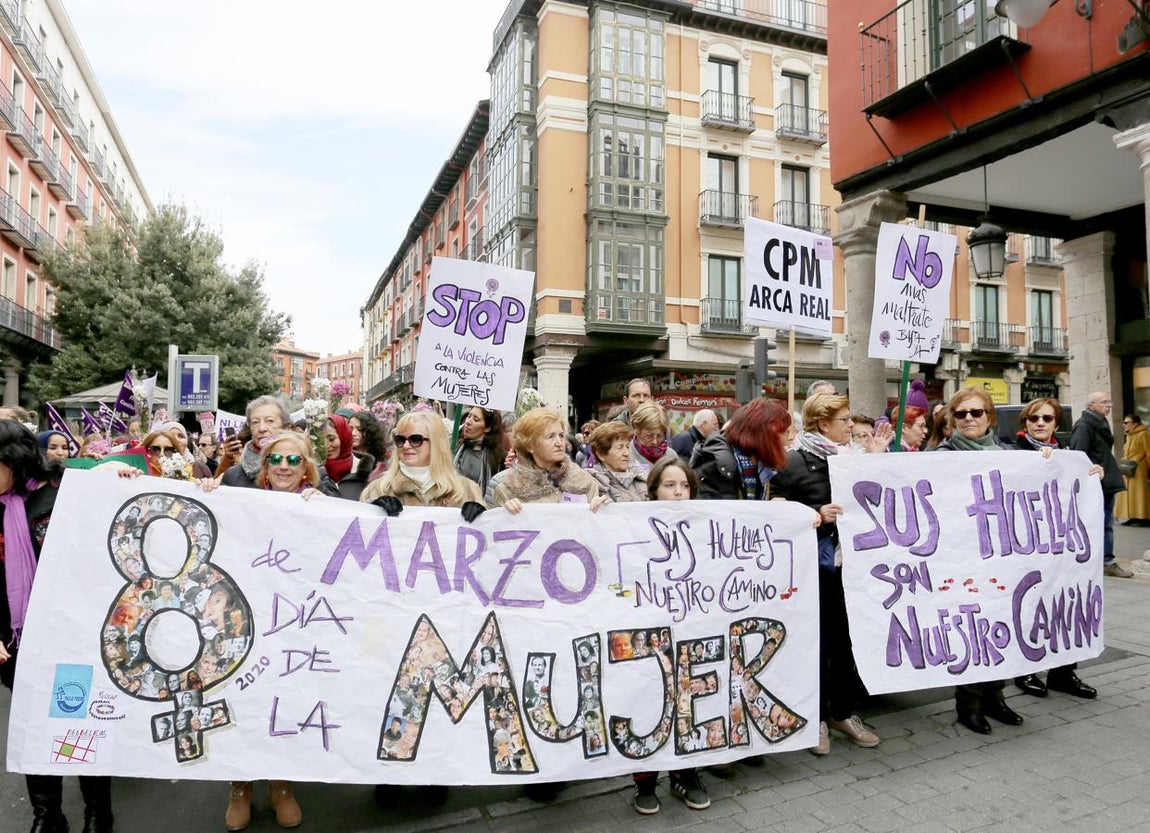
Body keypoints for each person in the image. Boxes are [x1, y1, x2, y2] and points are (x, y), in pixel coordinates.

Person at [200, 432, 321, 831]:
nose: (284, 466)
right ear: (265, 467)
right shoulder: (239, 503)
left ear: (306, 468)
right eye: (276, 460)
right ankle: (240, 786)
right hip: (245, 623)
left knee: (284, 701)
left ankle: (280, 784)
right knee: (241, 702)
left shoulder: (321, 507)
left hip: (294, 625)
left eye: (293, 460)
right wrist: (209, 491)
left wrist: (322, 509)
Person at [0, 420, 115, 832]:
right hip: (14, 640)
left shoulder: (60, 491)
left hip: (70, 633)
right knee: (33, 723)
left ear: (14, 460)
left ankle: (97, 811)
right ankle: (47, 815)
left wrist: (118, 472)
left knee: (78, 718)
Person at [770, 393, 882, 756]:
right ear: (823, 424)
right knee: (817, 647)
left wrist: (878, 462)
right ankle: (815, 718)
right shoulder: (792, 462)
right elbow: (777, 515)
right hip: (814, 573)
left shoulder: (854, 459)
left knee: (847, 644)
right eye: (844, 420)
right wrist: (816, 514)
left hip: (854, 570)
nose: (851, 426)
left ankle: (842, 712)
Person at [934, 387, 1026, 734]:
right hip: (960, 560)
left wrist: (1073, 469)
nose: (969, 418)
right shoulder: (940, 457)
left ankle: (995, 697)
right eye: (961, 413)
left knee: (1001, 624)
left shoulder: (1008, 455)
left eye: (976, 412)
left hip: (1000, 558)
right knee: (972, 630)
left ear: (990, 416)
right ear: (952, 419)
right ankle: (968, 704)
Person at [630, 457, 710, 816]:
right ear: (653, 491)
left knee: (687, 701)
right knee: (647, 702)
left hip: (689, 630)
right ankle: (645, 780)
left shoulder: (706, 524)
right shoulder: (631, 523)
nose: (678, 492)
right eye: (669, 485)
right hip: (647, 633)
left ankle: (685, 774)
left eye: (684, 486)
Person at [1012, 398, 1101, 701]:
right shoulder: (1011, 452)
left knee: (1066, 605)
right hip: (1025, 546)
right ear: (1025, 423)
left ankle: (1063, 672)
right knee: (1029, 606)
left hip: (1062, 547)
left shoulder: (1069, 456)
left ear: (1056, 424)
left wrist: (1092, 476)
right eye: (1034, 418)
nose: (1040, 423)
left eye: (1047, 418)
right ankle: (1025, 670)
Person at [361, 411, 484, 512]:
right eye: (400, 439)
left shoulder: (466, 491)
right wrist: (373, 511)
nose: (406, 446)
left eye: (415, 439)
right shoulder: (379, 489)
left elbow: (484, 531)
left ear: (435, 443)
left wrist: (479, 518)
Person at [492, 408, 611, 512]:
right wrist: (506, 514)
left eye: (561, 435)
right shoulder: (509, 490)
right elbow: (500, 528)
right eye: (550, 436)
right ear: (529, 445)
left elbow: (595, 527)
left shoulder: (584, 482)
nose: (559, 443)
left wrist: (601, 509)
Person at [1069, 391, 1134, 578]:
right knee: (1102, 524)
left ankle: (1104, 560)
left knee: (1105, 523)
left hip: (1105, 481)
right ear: (1092, 405)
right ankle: (1105, 561)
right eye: (1104, 402)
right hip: (1096, 483)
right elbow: (1078, 455)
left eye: (1109, 402)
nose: (1109, 405)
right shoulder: (1084, 425)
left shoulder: (1099, 422)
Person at [690, 398, 792, 500]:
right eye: (784, 432)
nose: (787, 440)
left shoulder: (760, 465)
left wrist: (770, 506)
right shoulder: (718, 464)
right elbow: (716, 509)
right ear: (764, 435)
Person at [218, 396, 292, 488]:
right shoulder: (233, 475)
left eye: (270, 421)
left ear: (285, 427)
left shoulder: (303, 468)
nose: (262, 428)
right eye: (255, 422)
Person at [586, 422, 647, 502]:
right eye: (620, 448)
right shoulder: (591, 484)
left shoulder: (642, 478)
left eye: (627, 447)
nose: (627, 453)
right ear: (601, 454)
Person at [453, 407, 506, 495]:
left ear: (487, 427)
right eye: (469, 416)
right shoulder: (456, 447)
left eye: (476, 419)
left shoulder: (498, 459)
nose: (468, 422)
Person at [322, 414, 374, 501]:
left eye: (331, 439)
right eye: (321, 440)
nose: (326, 445)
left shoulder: (365, 472)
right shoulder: (314, 471)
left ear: (344, 438)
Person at [1116, 414, 1150, 526]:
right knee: (1129, 494)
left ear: (1135, 423)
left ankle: (1143, 517)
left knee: (1139, 493)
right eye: (1124, 422)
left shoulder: (1143, 434)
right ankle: (1133, 516)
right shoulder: (1129, 435)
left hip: (1138, 468)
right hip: (1128, 468)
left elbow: (1148, 451)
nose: (1124, 425)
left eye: (1127, 422)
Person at [628, 402, 677, 475]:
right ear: (637, 430)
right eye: (649, 436)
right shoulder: (626, 456)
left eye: (659, 436)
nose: (655, 442)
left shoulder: (671, 456)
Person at [348, 411, 390, 482]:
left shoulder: (381, 459)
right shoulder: (345, 457)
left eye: (359, 429)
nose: (353, 433)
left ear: (370, 431)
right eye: (350, 428)